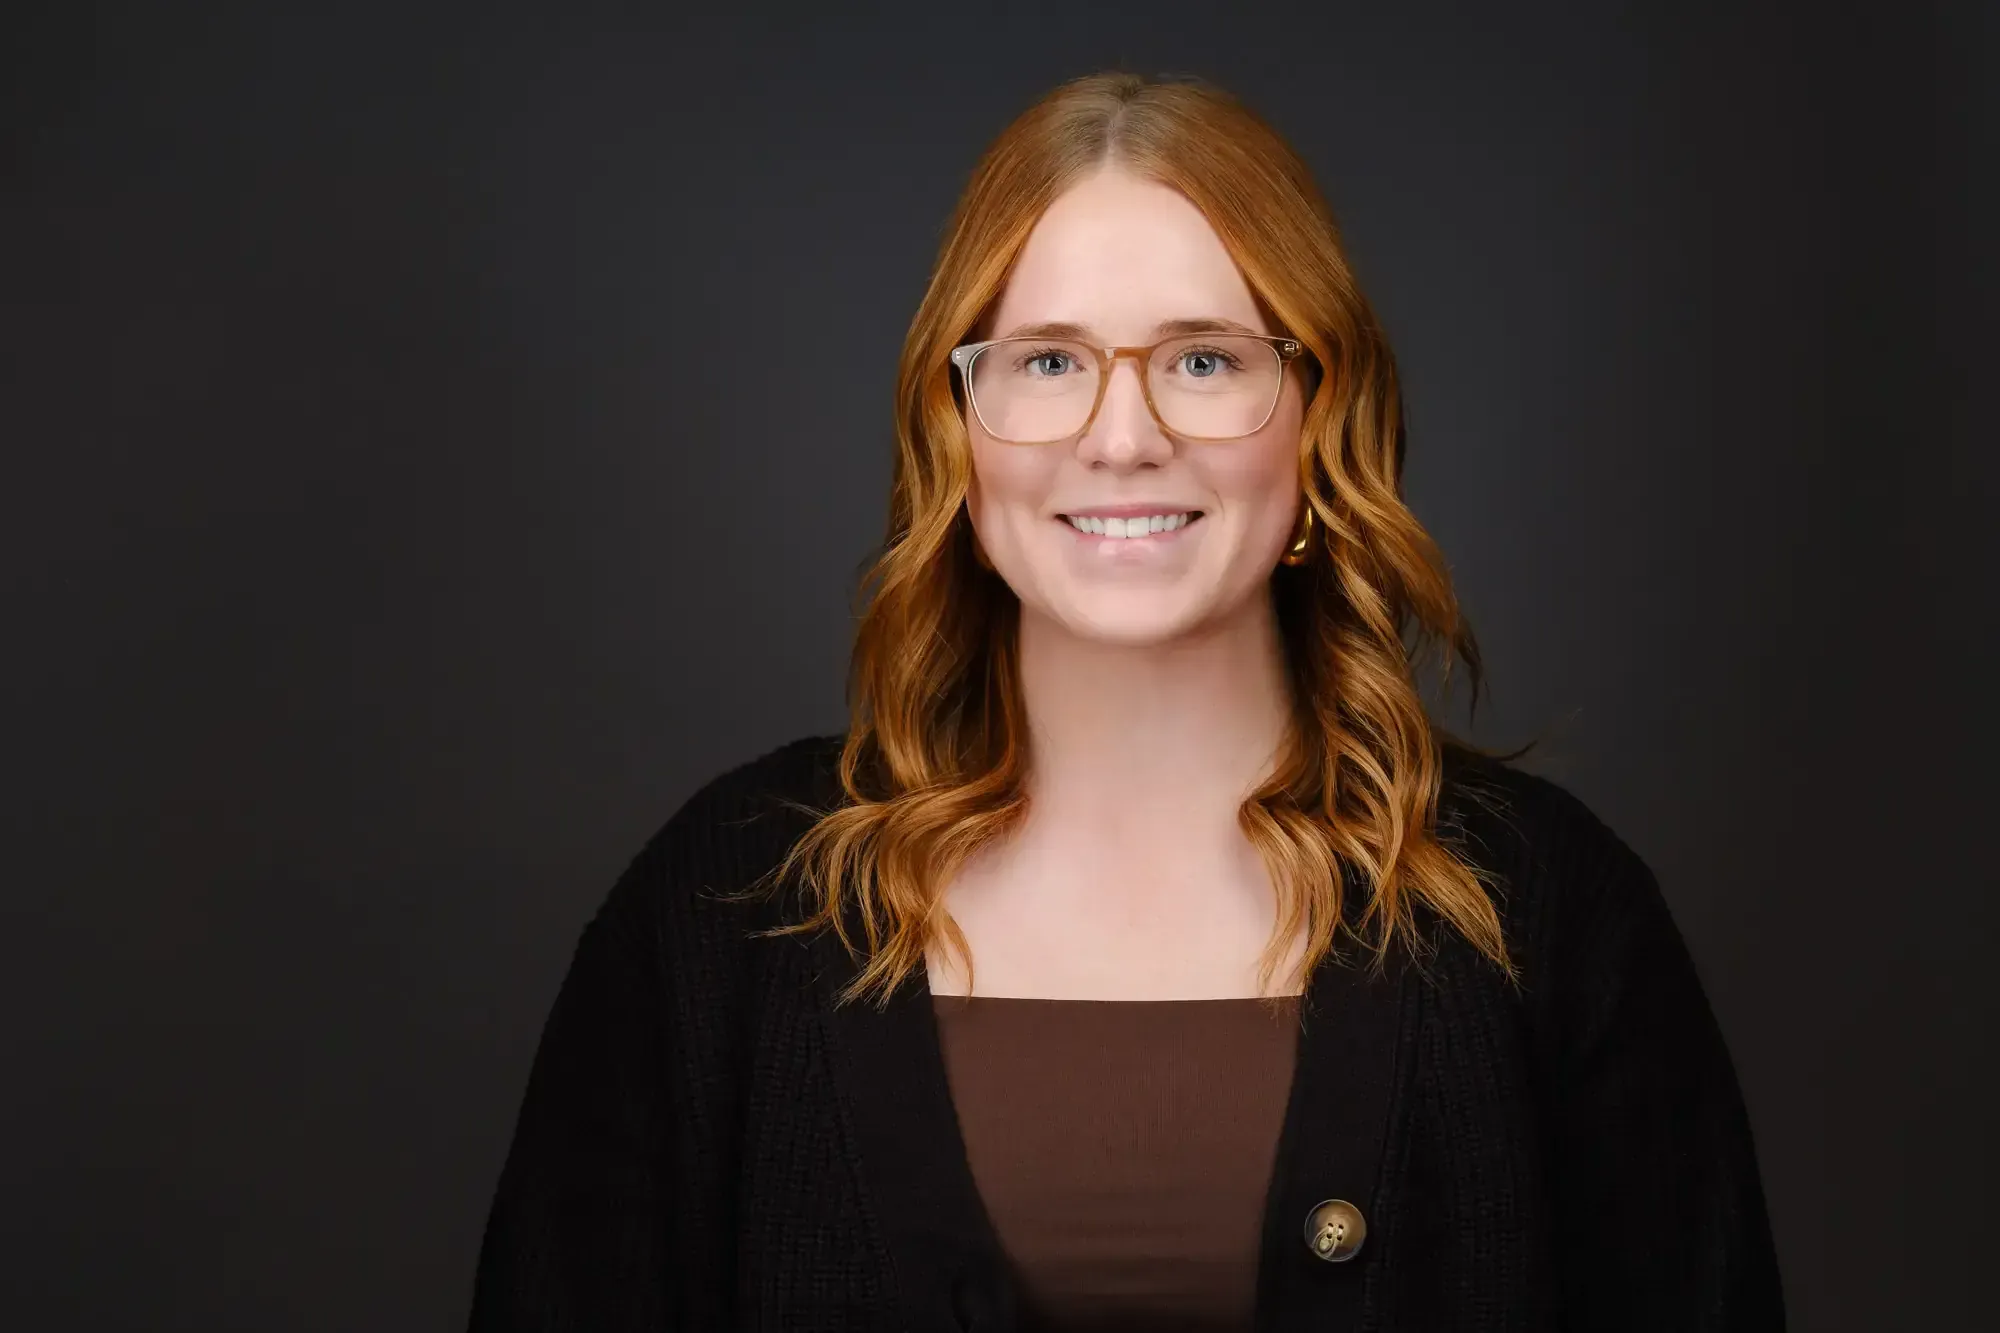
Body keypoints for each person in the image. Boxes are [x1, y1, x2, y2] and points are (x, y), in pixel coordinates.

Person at [466, 71, 1784, 1331]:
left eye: (1204, 360)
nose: (1122, 433)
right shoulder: (725, 914)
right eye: (1049, 362)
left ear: (1318, 419)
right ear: (958, 431)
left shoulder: (1548, 918)